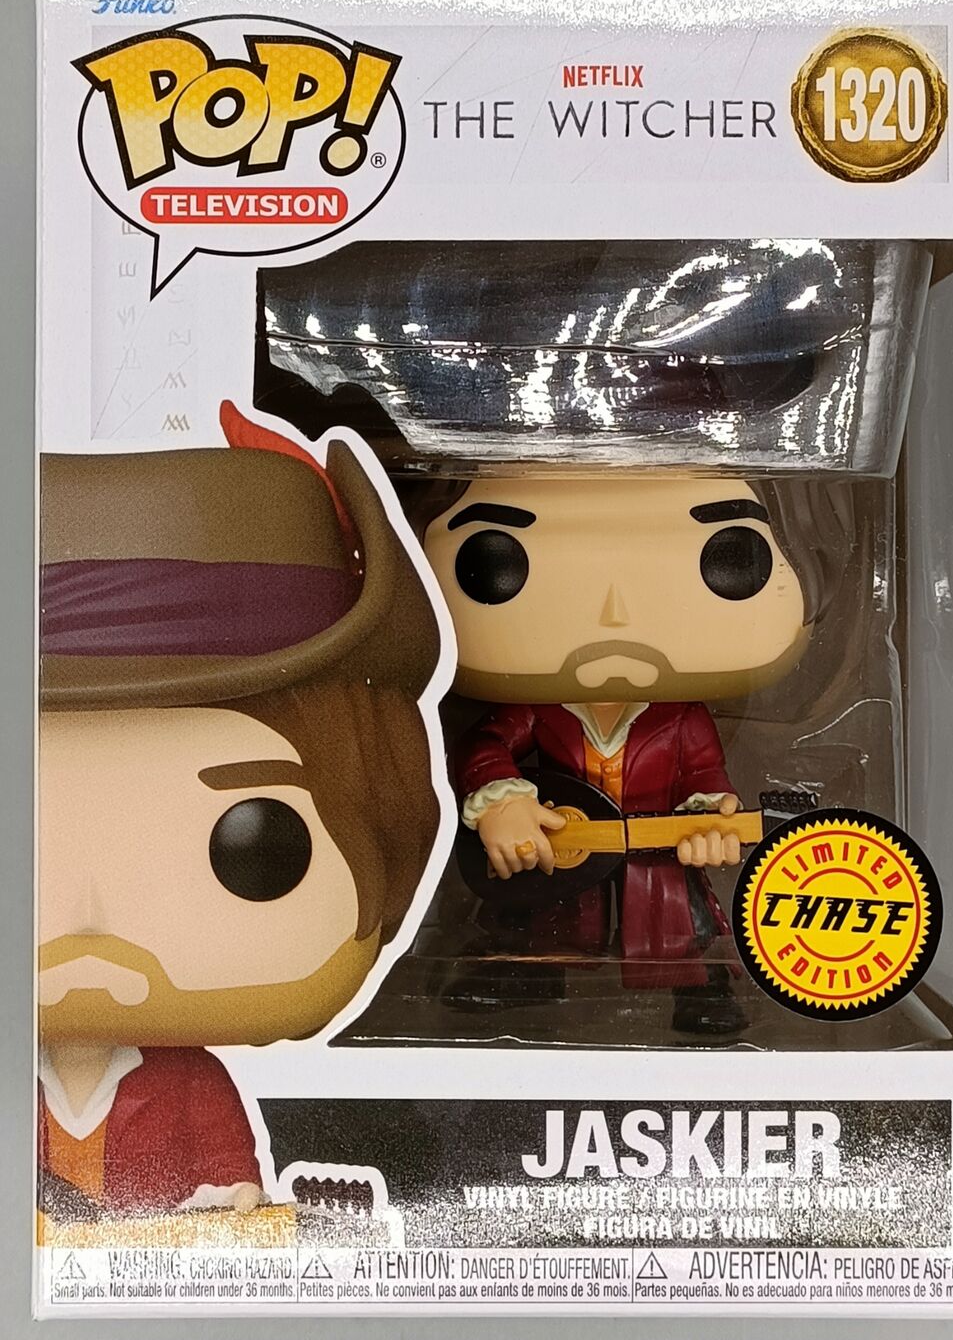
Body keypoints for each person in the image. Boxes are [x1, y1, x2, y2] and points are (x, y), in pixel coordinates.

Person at [37, 403, 441, 1216]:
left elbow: (231, 1182)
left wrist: (230, 1202)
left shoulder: (192, 1080)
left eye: (252, 848)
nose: (89, 921)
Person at [422, 474, 825, 1035]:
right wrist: (502, 802)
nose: (614, 614)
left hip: (651, 852)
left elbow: (705, 774)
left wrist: (710, 819)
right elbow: (485, 745)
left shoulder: (680, 717)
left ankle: (697, 983)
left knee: (673, 915)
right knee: (548, 912)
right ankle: (529, 971)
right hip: (561, 848)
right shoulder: (537, 709)